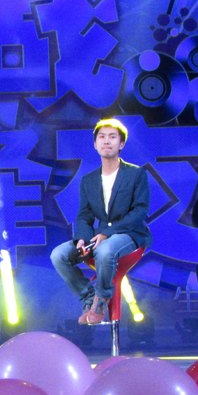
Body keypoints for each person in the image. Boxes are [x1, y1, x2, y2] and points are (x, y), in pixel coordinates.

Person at [50, 118, 151, 325]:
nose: (106, 141)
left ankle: (101, 298)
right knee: (59, 255)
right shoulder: (89, 180)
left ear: (121, 144)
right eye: (102, 137)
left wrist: (107, 233)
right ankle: (88, 296)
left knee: (105, 251)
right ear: (95, 144)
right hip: (99, 235)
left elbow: (140, 211)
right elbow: (84, 215)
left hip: (130, 234)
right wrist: (82, 239)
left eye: (112, 137)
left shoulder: (136, 174)